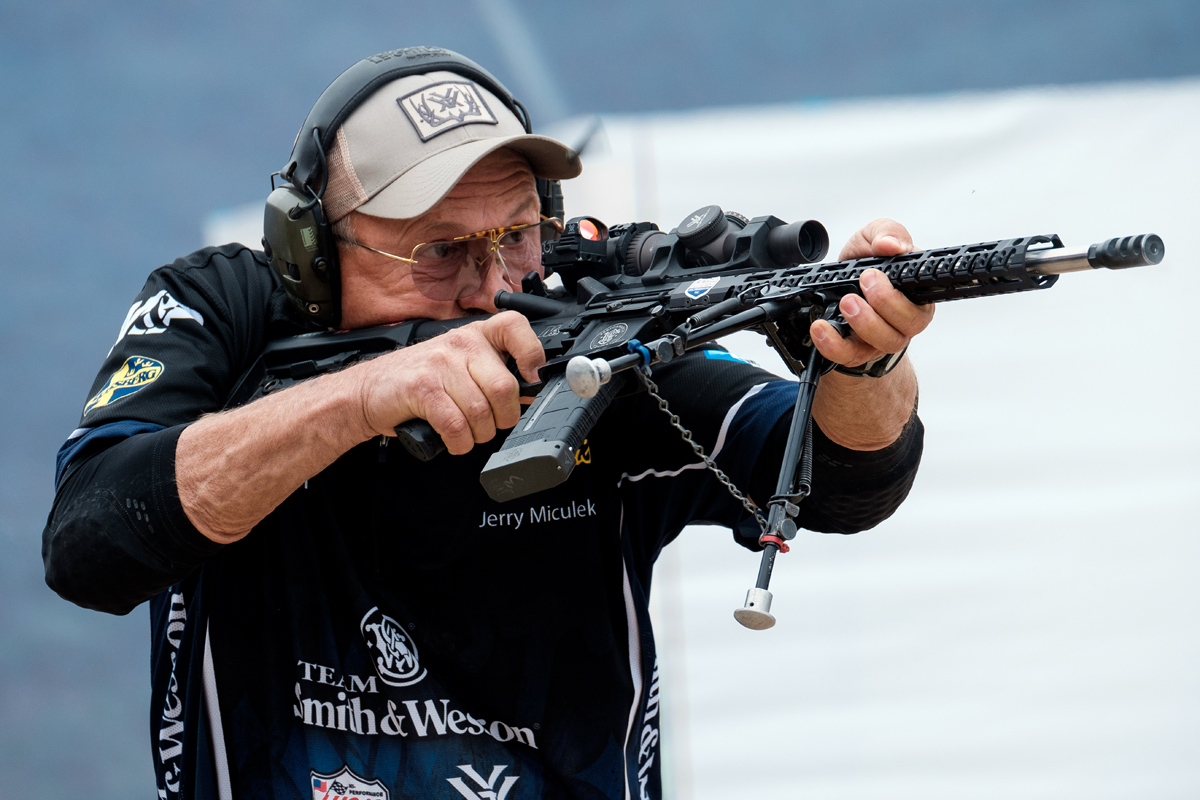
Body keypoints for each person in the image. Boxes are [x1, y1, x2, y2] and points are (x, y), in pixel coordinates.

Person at [42, 46, 933, 800]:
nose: (489, 287)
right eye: (440, 251)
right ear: (312, 252)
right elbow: (91, 540)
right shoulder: (226, 307)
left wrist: (866, 361)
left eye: (514, 236)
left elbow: (842, 479)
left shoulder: (582, 332)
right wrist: (365, 397)